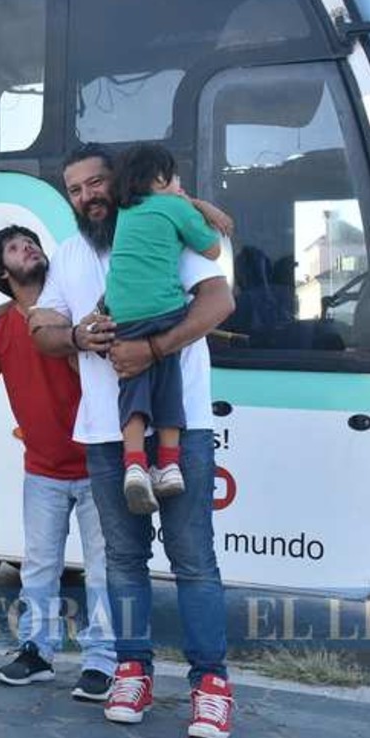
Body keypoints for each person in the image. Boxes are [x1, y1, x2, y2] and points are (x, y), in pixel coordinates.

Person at [30, 144, 238, 738]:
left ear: (117, 184)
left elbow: (219, 300)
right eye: (76, 190)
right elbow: (41, 326)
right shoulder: (68, 255)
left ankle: (211, 687)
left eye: (96, 183)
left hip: (183, 426)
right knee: (122, 561)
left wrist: (152, 348)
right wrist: (73, 333)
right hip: (104, 435)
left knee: (193, 559)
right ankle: (131, 671)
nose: (88, 196)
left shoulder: (159, 225)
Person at [0, 225, 117, 701]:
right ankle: (37, 651)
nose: (27, 247)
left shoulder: (75, 307)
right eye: (13, 245)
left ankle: (103, 661)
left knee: (104, 569)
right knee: (39, 567)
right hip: (43, 467)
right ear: (3, 271)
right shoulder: (1, 326)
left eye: (29, 241)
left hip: (97, 463)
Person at [103, 143, 224, 515]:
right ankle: (168, 464)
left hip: (123, 312)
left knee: (132, 386)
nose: (178, 183)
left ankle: (135, 464)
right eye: (173, 177)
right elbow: (212, 249)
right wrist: (192, 204)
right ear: (159, 178)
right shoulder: (174, 207)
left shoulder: (124, 212)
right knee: (168, 379)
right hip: (164, 308)